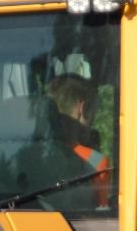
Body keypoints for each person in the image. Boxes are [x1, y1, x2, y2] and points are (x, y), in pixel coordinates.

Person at [46, 75, 111, 208]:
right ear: (83, 108)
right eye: (94, 111)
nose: (93, 121)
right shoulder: (95, 161)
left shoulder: (27, 155)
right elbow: (103, 216)